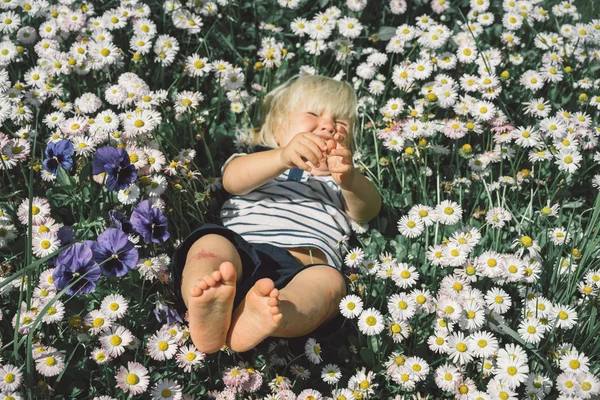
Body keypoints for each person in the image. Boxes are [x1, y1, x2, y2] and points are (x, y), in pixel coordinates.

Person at [170, 74, 382, 354]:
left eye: (341, 123)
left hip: (303, 269)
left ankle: (273, 314)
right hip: (239, 253)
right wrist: (282, 157)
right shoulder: (265, 162)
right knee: (210, 245)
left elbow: (367, 210)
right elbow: (232, 179)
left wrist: (351, 180)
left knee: (330, 285)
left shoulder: (341, 182)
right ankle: (206, 299)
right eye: (314, 114)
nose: (329, 126)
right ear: (280, 128)